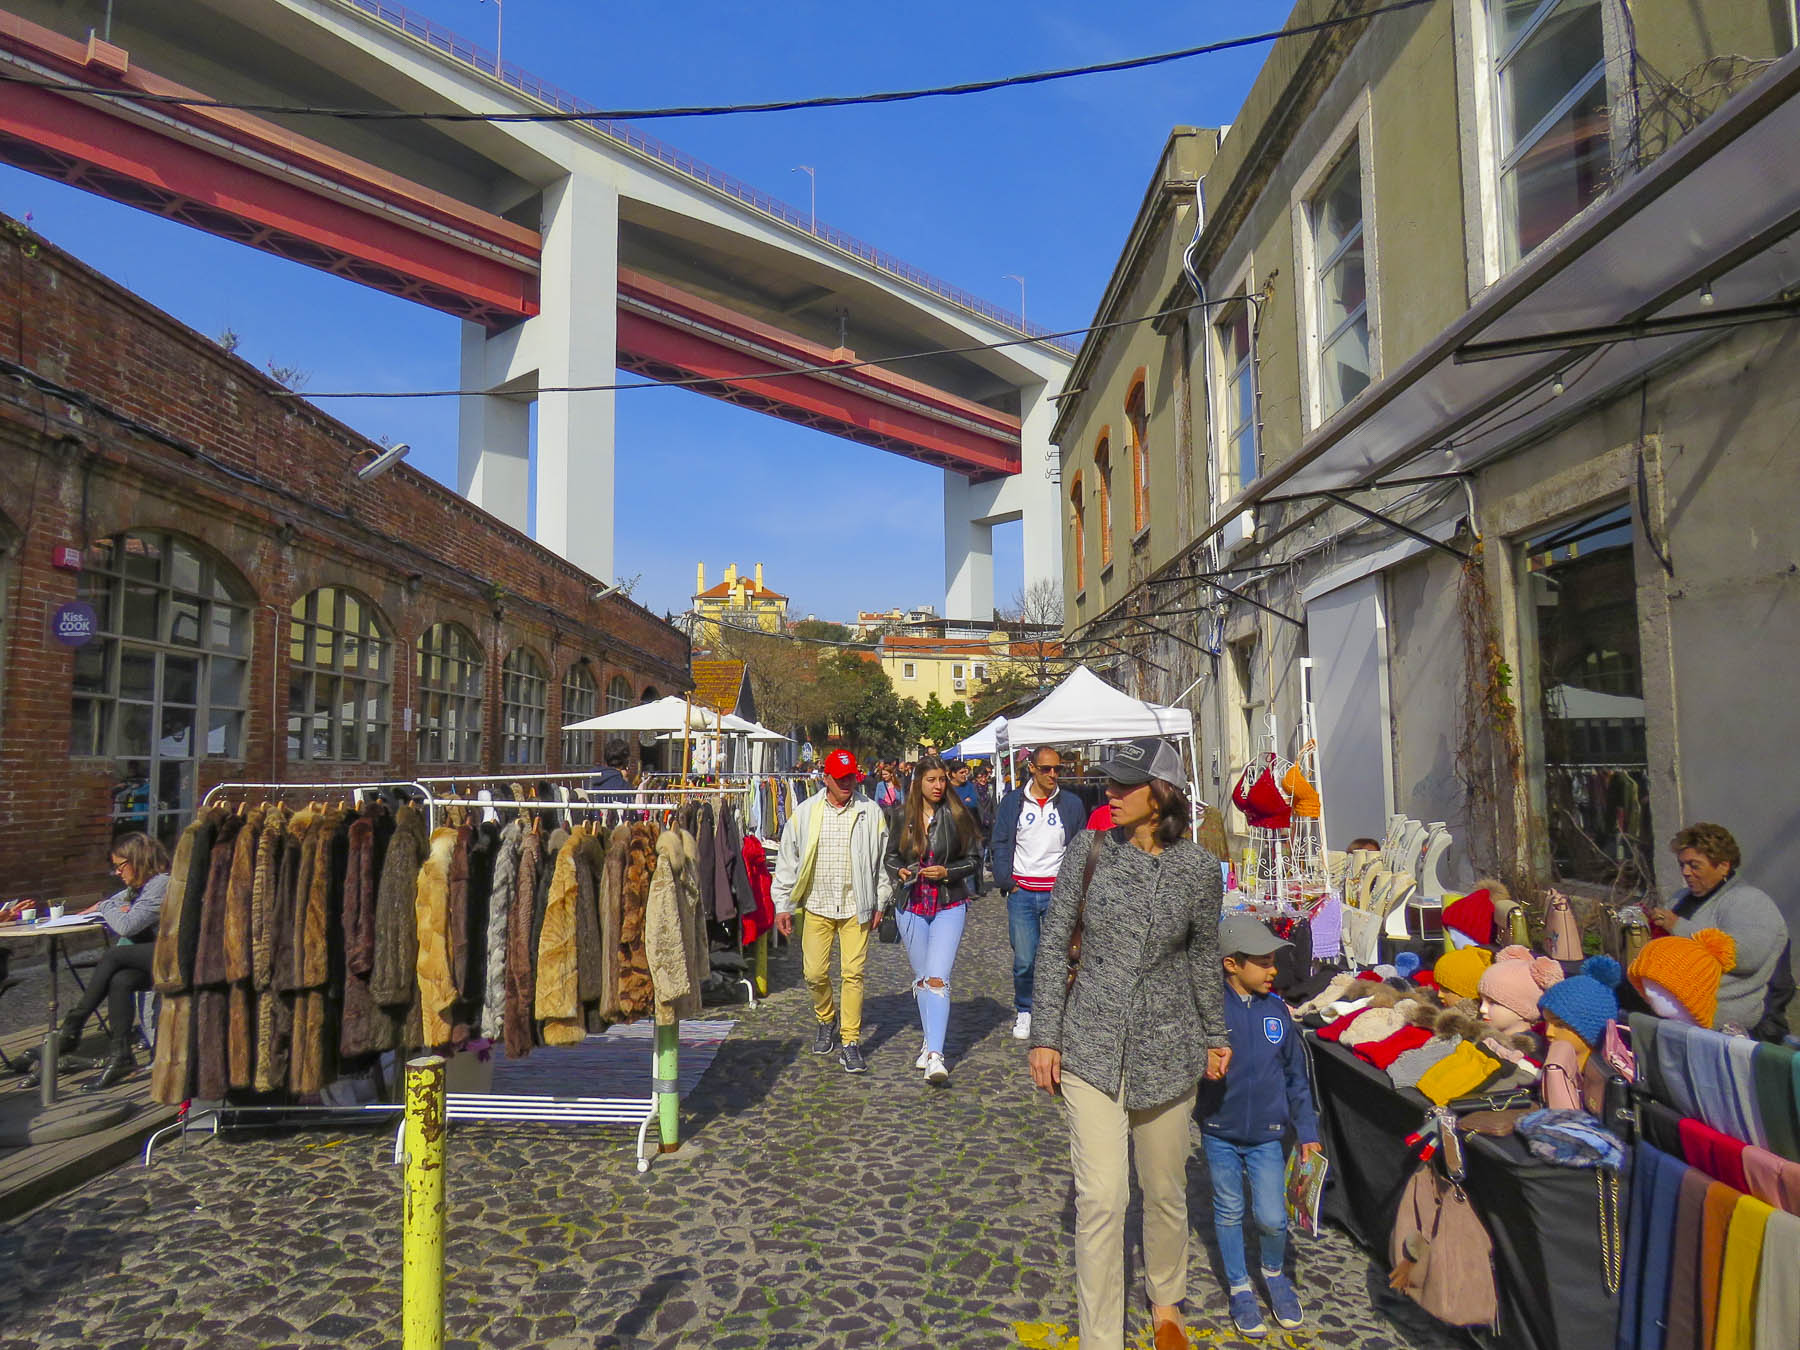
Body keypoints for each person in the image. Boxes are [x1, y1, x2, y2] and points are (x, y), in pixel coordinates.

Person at [1028, 737, 1230, 1350]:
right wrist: (1045, 1036)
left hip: (1169, 1048)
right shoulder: (1089, 852)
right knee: (1102, 1199)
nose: (1109, 793)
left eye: (1123, 784)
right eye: (1109, 781)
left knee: (1165, 1191)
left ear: (1161, 794)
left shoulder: (1199, 870)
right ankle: (1101, 1338)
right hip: (1090, 1043)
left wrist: (1215, 1034)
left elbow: (1202, 958)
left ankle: (1166, 1300)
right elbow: (1053, 942)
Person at [1195, 914, 1323, 1338]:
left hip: (1268, 1136)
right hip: (1220, 1131)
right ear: (1231, 964)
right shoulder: (1209, 1010)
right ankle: (1238, 1286)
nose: (1274, 971)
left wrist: (1307, 1132)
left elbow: (1296, 1077)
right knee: (1229, 1210)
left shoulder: (1278, 1012)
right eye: (1264, 962)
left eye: (1274, 962)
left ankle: (1273, 1273)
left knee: (1271, 1216)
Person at [772, 748, 894, 1074]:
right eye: (840, 778)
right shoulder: (805, 813)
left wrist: (880, 900)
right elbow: (787, 861)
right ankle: (826, 1018)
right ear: (825, 778)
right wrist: (783, 904)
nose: (846, 783)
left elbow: (882, 862)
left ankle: (850, 1041)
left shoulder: (870, 812)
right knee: (814, 973)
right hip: (817, 904)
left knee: (853, 974)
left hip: (857, 906)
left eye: (850, 777)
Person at [28, 833, 170, 1088]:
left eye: (120, 866)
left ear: (138, 860)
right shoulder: (139, 888)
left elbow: (126, 925)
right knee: (121, 980)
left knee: (114, 955)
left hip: (181, 956)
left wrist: (105, 907)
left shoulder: (161, 883)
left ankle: (72, 1027)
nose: (117, 873)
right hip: (158, 956)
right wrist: (104, 907)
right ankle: (120, 1055)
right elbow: (109, 905)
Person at [883, 754, 981, 1085]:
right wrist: (899, 870)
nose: (938, 786)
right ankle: (929, 1040)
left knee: (938, 979)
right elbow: (890, 857)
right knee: (923, 979)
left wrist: (947, 871)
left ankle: (936, 1055)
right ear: (919, 783)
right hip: (911, 903)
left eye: (942, 779)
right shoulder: (901, 815)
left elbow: (974, 860)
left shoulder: (957, 814)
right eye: (931, 780)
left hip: (948, 903)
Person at [1646, 822, 1791, 1038]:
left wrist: (1678, 926)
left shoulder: (1749, 901)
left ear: (1723, 866)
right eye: (1682, 865)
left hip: (1730, 1027)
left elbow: (1745, 956)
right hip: (1674, 1014)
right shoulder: (1680, 898)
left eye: (1694, 865)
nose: (1686, 872)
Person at [991, 745, 1089, 1039]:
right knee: (1025, 960)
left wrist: (1074, 887)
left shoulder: (1071, 804)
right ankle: (1025, 1009)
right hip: (1022, 892)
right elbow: (1000, 841)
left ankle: (1054, 1011)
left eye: (1058, 769)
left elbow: (1081, 845)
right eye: (1046, 769)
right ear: (1032, 768)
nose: (1053, 774)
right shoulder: (1013, 803)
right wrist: (1006, 880)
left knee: (1058, 957)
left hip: (1058, 893)